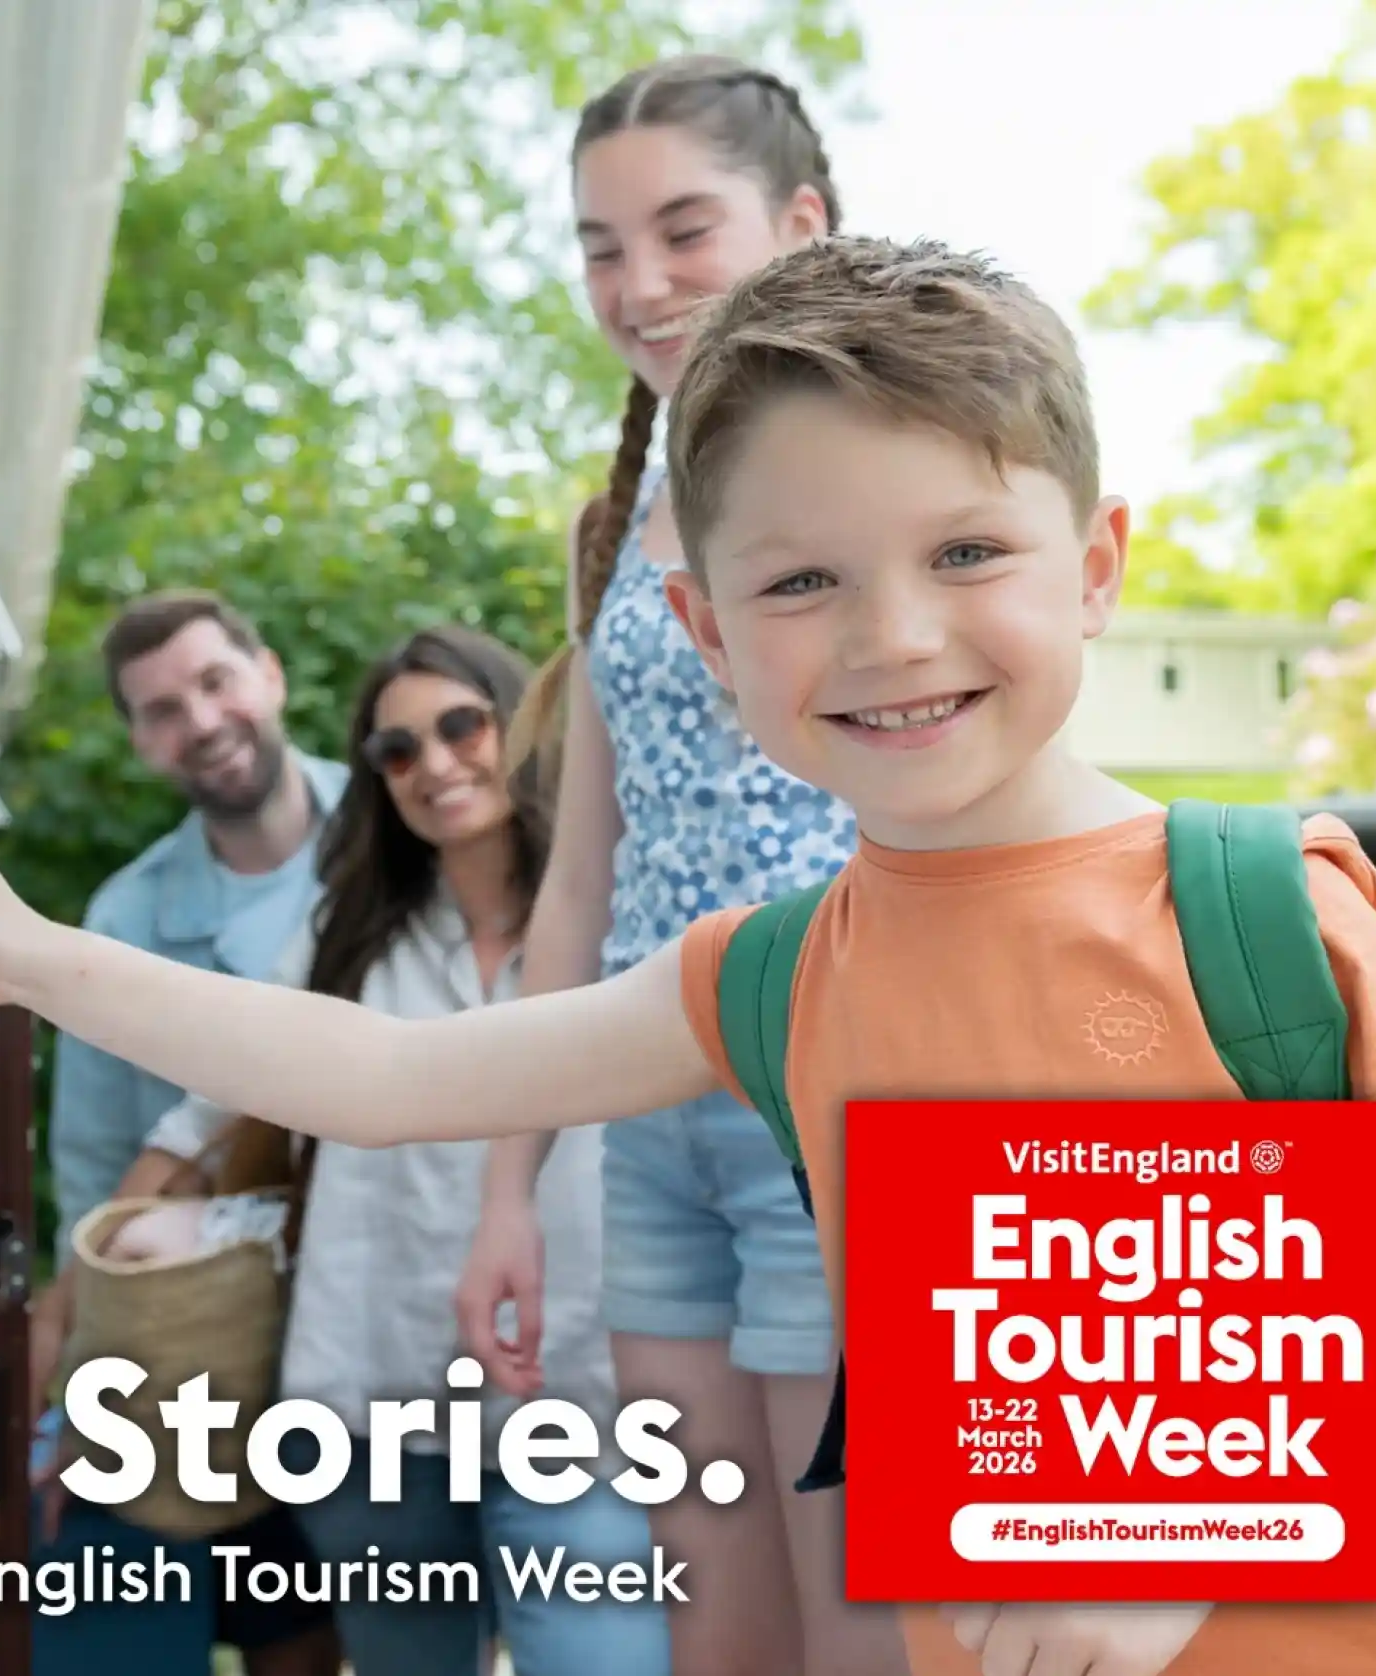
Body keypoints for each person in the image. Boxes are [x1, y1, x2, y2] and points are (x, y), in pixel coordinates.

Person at [0, 233, 1376, 1676]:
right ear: (710, 637)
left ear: (1094, 569)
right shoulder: (775, 976)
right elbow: (384, 1076)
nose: (893, 634)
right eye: (802, 579)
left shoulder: (1254, 909)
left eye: (965, 551)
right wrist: (26, 952)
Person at [451, 55, 888, 1676]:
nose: (637, 285)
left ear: (799, 221)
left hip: (838, 1119)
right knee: (715, 1642)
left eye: (682, 229)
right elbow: (582, 880)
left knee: (859, 1644)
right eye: (598, 245)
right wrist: (509, 1192)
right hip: (656, 1137)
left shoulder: (880, 475)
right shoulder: (621, 523)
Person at [60, 625, 669, 1675]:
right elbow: (194, 1118)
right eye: (395, 749)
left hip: (573, 1399)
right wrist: (79, 1344)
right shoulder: (344, 934)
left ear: (517, 724)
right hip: (370, 1409)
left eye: (459, 725)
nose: (432, 763)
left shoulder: (625, 924)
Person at [33, 588, 346, 1676]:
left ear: (268, 674)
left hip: (386, 1294)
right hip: (222, 1331)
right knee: (270, 1619)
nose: (200, 719)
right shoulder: (123, 922)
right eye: (162, 707)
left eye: (215, 681)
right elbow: (95, 1186)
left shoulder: (400, 830)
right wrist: (73, 1383)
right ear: (137, 739)